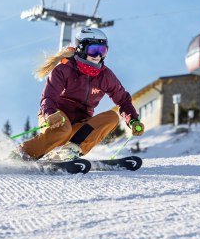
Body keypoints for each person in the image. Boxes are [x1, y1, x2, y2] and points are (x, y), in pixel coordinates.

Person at [14, 27, 144, 162]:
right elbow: (49, 96)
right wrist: (50, 113)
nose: (98, 55)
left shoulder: (105, 76)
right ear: (81, 48)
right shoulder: (64, 69)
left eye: (102, 51)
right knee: (63, 130)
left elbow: (123, 100)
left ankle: (70, 150)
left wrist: (133, 120)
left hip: (80, 123)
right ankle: (21, 153)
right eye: (93, 50)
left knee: (112, 117)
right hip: (56, 117)